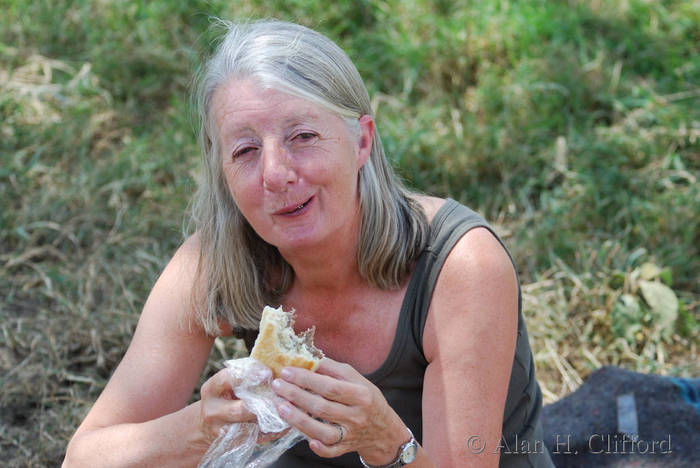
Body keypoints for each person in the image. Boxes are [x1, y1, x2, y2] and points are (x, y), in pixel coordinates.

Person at [63, 19, 553, 468]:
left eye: (302, 136)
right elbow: (84, 458)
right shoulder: (214, 262)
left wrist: (386, 443)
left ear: (362, 142)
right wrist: (202, 427)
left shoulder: (460, 266)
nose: (276, 174)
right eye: (246, 150)